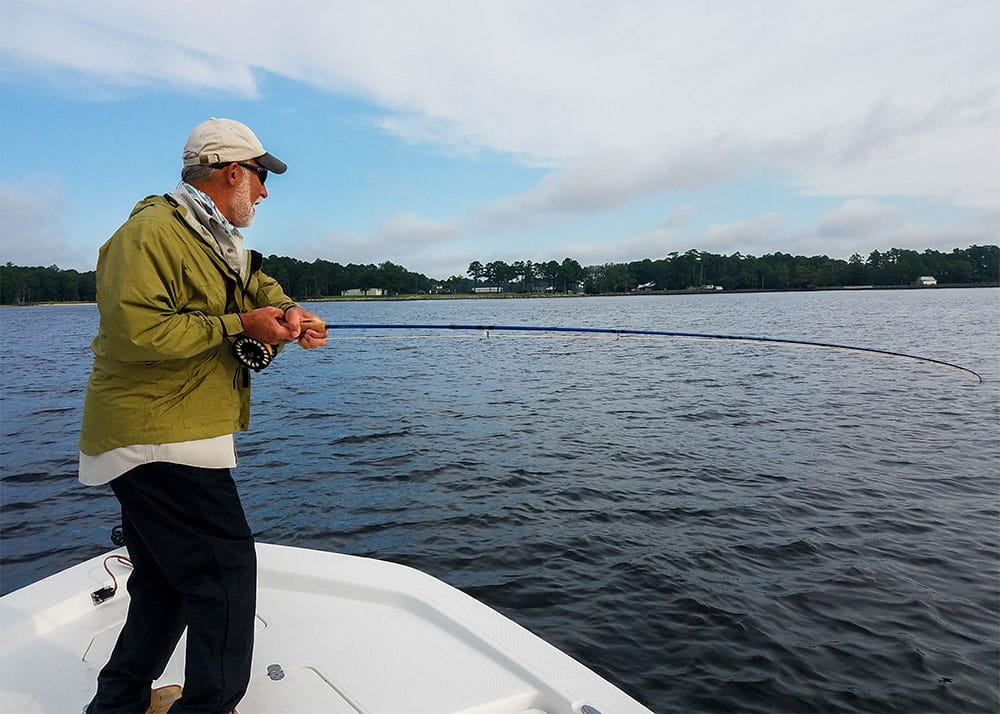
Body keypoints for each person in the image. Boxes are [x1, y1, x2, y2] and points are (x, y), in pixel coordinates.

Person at [79, 118, 326, 714]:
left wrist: (291, 314)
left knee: (167, 580)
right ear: (233, 173)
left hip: (169, 433)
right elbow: (137, 330)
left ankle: (117, 705)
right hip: (157, 437)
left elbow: (254, 285)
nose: (265, 193)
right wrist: (240, 325)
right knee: (223, 576)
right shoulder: (149, 235)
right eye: (262, 178)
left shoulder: (212, 237)